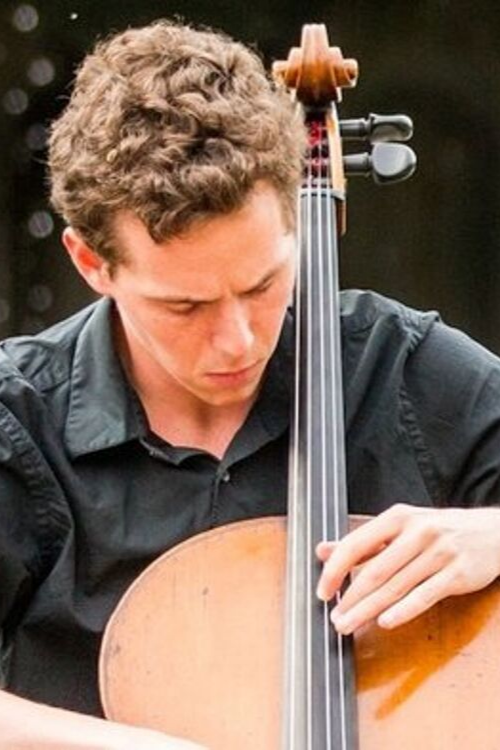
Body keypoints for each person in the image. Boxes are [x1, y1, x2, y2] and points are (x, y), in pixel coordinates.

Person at [1, 18, 500, 750]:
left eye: (264, 284)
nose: (237, 340)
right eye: (185, 306)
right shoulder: (18, 420)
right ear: (91, 263)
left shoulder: (405, 369)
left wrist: (493, 534)